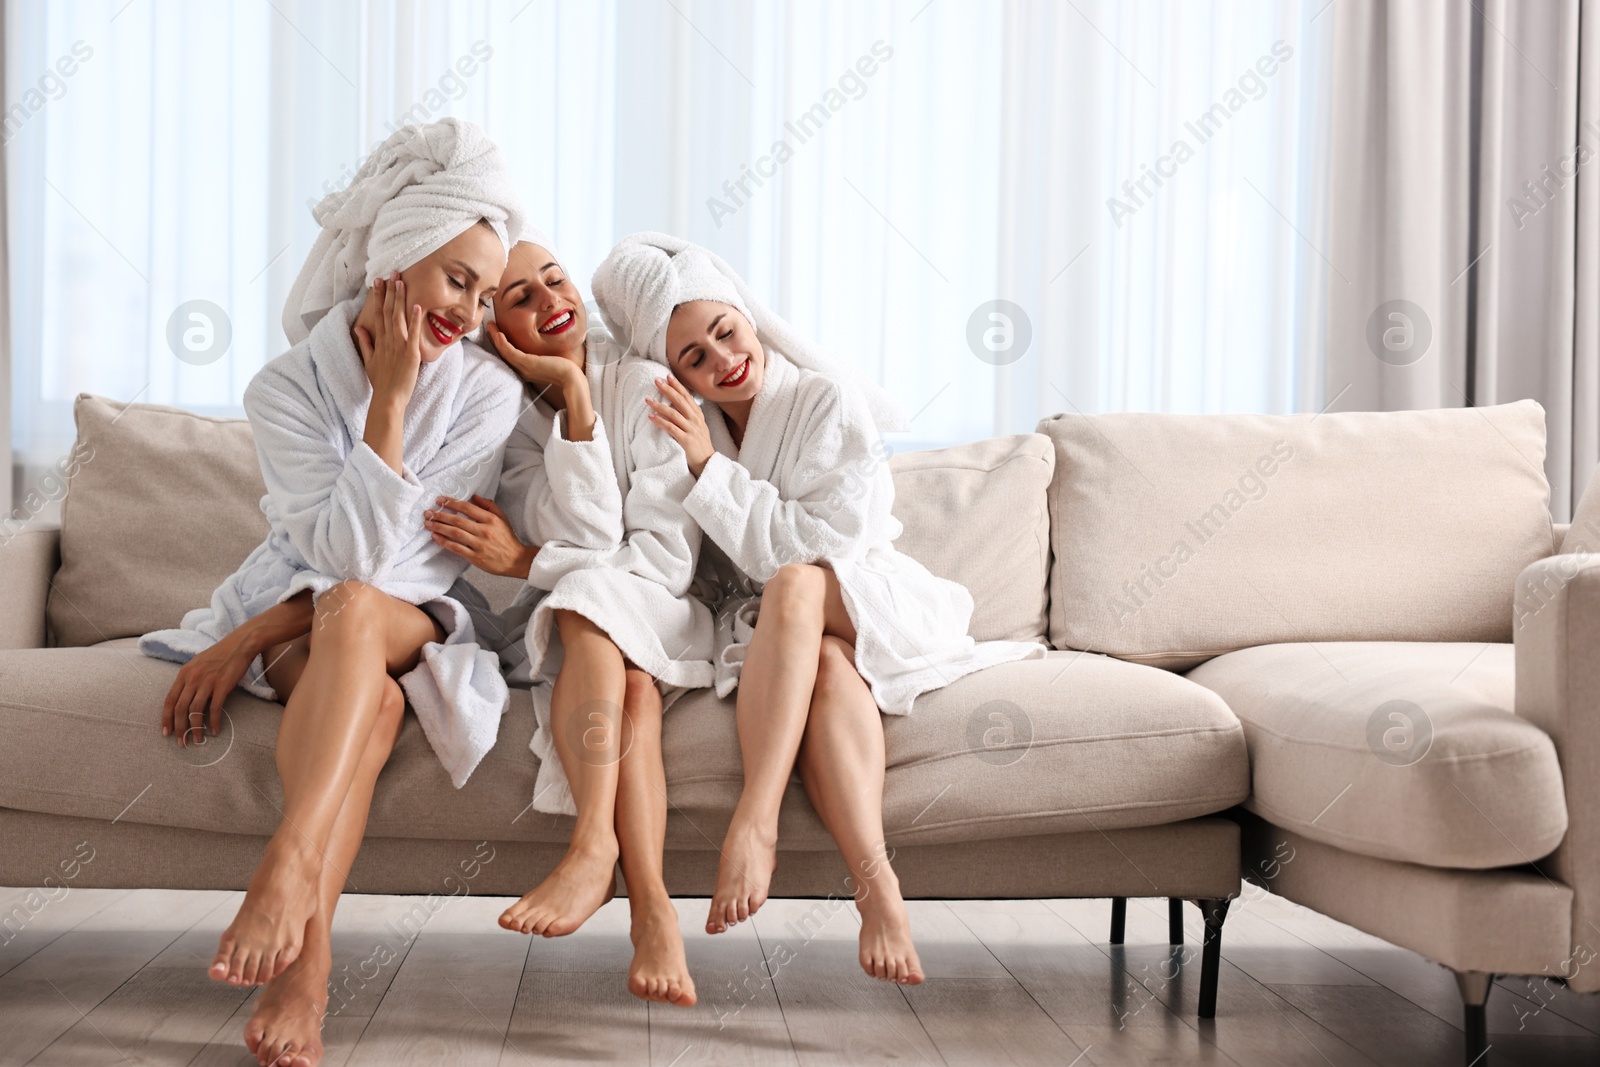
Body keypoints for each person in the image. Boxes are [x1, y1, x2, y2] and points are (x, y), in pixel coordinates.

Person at [139, 118, 525, 1067]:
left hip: (403, 614)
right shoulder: (285, 389)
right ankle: (305, 978)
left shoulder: (483, 391)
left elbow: (406, 567)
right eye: (455, 281)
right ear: (395, 262)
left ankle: (285, 864)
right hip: (330, 619)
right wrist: (388, 405)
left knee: (359, 610)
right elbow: (342, 550)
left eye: (484, 293)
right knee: (375, 707)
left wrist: (257, 629)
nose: (471, 316)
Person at [591, 232, 1047, 984]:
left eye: (725, 332)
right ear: (674, 373)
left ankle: (755, 820)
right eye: (693, 359)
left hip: (862, 588)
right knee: (830, 674)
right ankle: (879, 890)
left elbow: (816, 545)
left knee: (800, 581)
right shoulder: (687, 421)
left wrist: (709, 467)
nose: (721, 360)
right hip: (792, 625)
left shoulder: (821, 399)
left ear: (745, 314)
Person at [424, 234, 713, 1006]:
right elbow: (588, 539)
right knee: (632, 690)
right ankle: (652, 909)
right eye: (521, 297)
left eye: (556, 281)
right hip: (604, 631)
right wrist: (563, 400)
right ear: (496, 332)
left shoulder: (646, 382)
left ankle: (592, 846)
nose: (553, 302)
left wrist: (526, 560)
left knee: (587, 601)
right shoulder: (509, 428)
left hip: (670, 608)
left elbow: (663, 559)